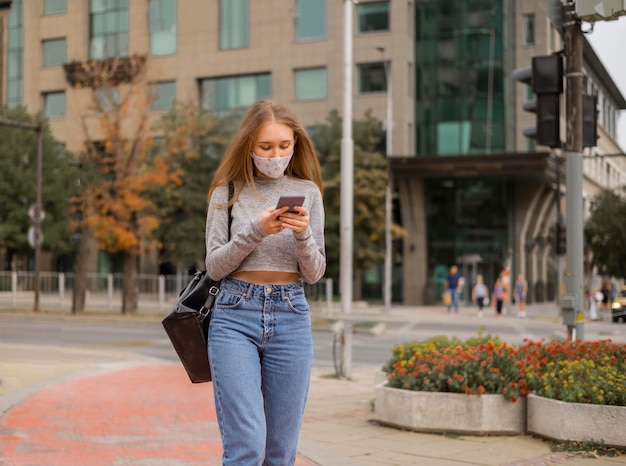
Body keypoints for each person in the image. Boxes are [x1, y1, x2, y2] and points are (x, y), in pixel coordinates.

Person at [204, 100, 326, 465]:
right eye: (266, 147)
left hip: (291, 314)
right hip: (234, 315)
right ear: (249, 146)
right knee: (247, 448)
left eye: (284, 146)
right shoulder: (227, 192)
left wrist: (303, 235)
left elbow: (315, 273)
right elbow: (214, 266)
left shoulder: (309, 192)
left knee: (280, 452)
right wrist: (255, 231)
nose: (276, 155)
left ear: (296, 145)